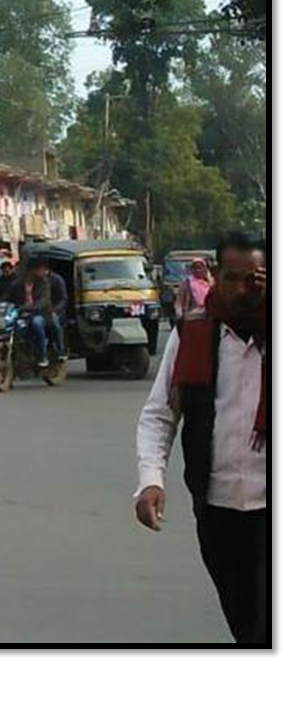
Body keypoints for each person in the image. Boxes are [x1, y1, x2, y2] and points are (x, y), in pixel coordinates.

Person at [135, 231, 265, 643]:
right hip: (216, 510)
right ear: (214, 275)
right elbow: (160, 415)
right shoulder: (192, 334)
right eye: (232, 278)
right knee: (243, 621)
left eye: (254, 279)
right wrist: (150, 481)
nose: (242, 290)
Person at [9, 259, 54, 368]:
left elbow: (44, 301)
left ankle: (42, 356)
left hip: (41, 314)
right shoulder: (17, 284)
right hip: (22, 314)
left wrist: (31, 308)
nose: (42, 271)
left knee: (37, 324)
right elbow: (7, 297)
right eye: (40, 269)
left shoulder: (44, 283)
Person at [174, 257, 215, 323]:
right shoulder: (187, 283)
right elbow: (179, 301)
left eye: (200, 268)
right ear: (191, 270)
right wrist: (179, 312)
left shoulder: (211, 283)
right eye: (195, 268)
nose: (198, 270)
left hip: (210, 317)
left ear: (205, 269)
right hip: (192, 316)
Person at [46, 262, 69, 357]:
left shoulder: (57, 280)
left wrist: (55, 310)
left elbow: (63, 299)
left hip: (55, 310)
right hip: (38, 311)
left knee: (55, 322)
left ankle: (60, 349)